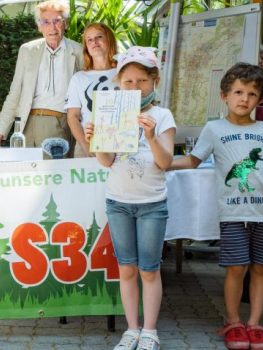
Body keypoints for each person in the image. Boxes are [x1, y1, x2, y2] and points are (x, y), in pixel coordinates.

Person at [171, 63, 263, 350]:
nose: (244, 99)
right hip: (233, 213)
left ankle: (254, 323)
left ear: (260, 98)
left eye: (252, 94)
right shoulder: (214, 128)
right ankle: (234, 321)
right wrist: (163, 163)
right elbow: (193, 160)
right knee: (236, 267)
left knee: (261, 267)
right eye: (238, 92)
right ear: (225, 95)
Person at [84, 46, 175, 350]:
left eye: (141, 81)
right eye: (128, 82)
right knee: (126, 268)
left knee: (149, 269)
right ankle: (131, 329)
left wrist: (150, 136)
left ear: (154, 81)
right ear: (118, 83)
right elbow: (107, 161)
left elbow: (165, 162)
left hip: (152, 204)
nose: (135, 87)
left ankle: (150, 330)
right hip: (118, 202)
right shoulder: (110, 112)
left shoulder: (162, 115)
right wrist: (95, 141)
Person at [0, 0, 84, 154]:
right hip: (24, 124)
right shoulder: (27, 50)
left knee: (54, 176)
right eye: (46, 22)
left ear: (65, 24)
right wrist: (1, 129)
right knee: (23, 175)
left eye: (57, 21)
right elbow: (15, 92)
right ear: (39, 26)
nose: (52, 27)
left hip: (58, 124)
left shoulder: (79, 51)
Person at [65, 23, 118, 158]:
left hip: (120, 143)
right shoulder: (78, 78)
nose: (94, 42)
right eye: (89, 39)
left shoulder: (125, 74)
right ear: (86, 47)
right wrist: (85, 145)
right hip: (87, 146)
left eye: (99, 37)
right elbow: (72, 116)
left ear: (109, 40)